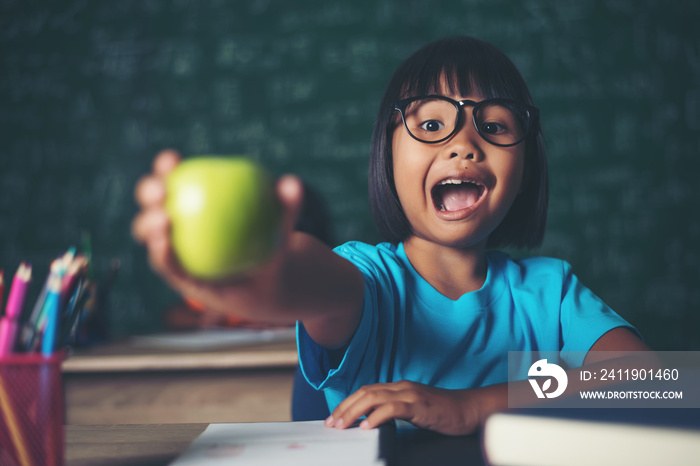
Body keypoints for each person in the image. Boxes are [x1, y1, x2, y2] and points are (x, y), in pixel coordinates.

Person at [132, 36, 649, 436]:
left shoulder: (550, 292)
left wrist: (474, 406)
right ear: (387, 155)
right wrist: (259, 274)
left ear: (525, 171)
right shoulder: (371, 280)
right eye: (430, 126)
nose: (465, 143)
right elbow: (309, 279)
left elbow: (652, 383)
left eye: (493, 127)